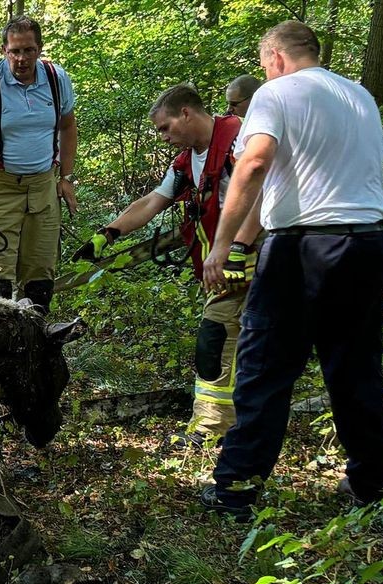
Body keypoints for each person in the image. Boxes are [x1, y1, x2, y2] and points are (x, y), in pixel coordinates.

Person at [200, 21, 383, 518]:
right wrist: (246, 239)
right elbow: (301, 177)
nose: (266, 72)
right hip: (368, 244)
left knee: (265, 365)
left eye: (265, 65)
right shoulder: (358, 97)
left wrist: (220, 245)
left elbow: (256, 165)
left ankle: (236, 489)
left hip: (303, 249)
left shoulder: (277, 92)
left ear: (276, 58)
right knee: (355, 367)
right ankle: (372, 486)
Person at [75, 84, 263, 450]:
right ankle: (246, 424)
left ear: (187, 114)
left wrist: (238, 249)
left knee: (216, 339)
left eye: (165, 128)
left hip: (250, 258)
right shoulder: (187, 162)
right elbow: (153, 201)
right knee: (248, 343)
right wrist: (107, 234)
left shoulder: (239, 141)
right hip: (224, 261)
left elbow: (265, 193)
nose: (164, 138)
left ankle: (210, 430)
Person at [0, 15, 77, 313]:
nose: (21, 58)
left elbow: (68, 128)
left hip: (43, 187)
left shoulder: (55, 78)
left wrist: (66, 177)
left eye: (28, 50)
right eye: (14, 51)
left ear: (39, 49)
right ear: (4, 50)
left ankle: (36, 347)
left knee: (40, 275)